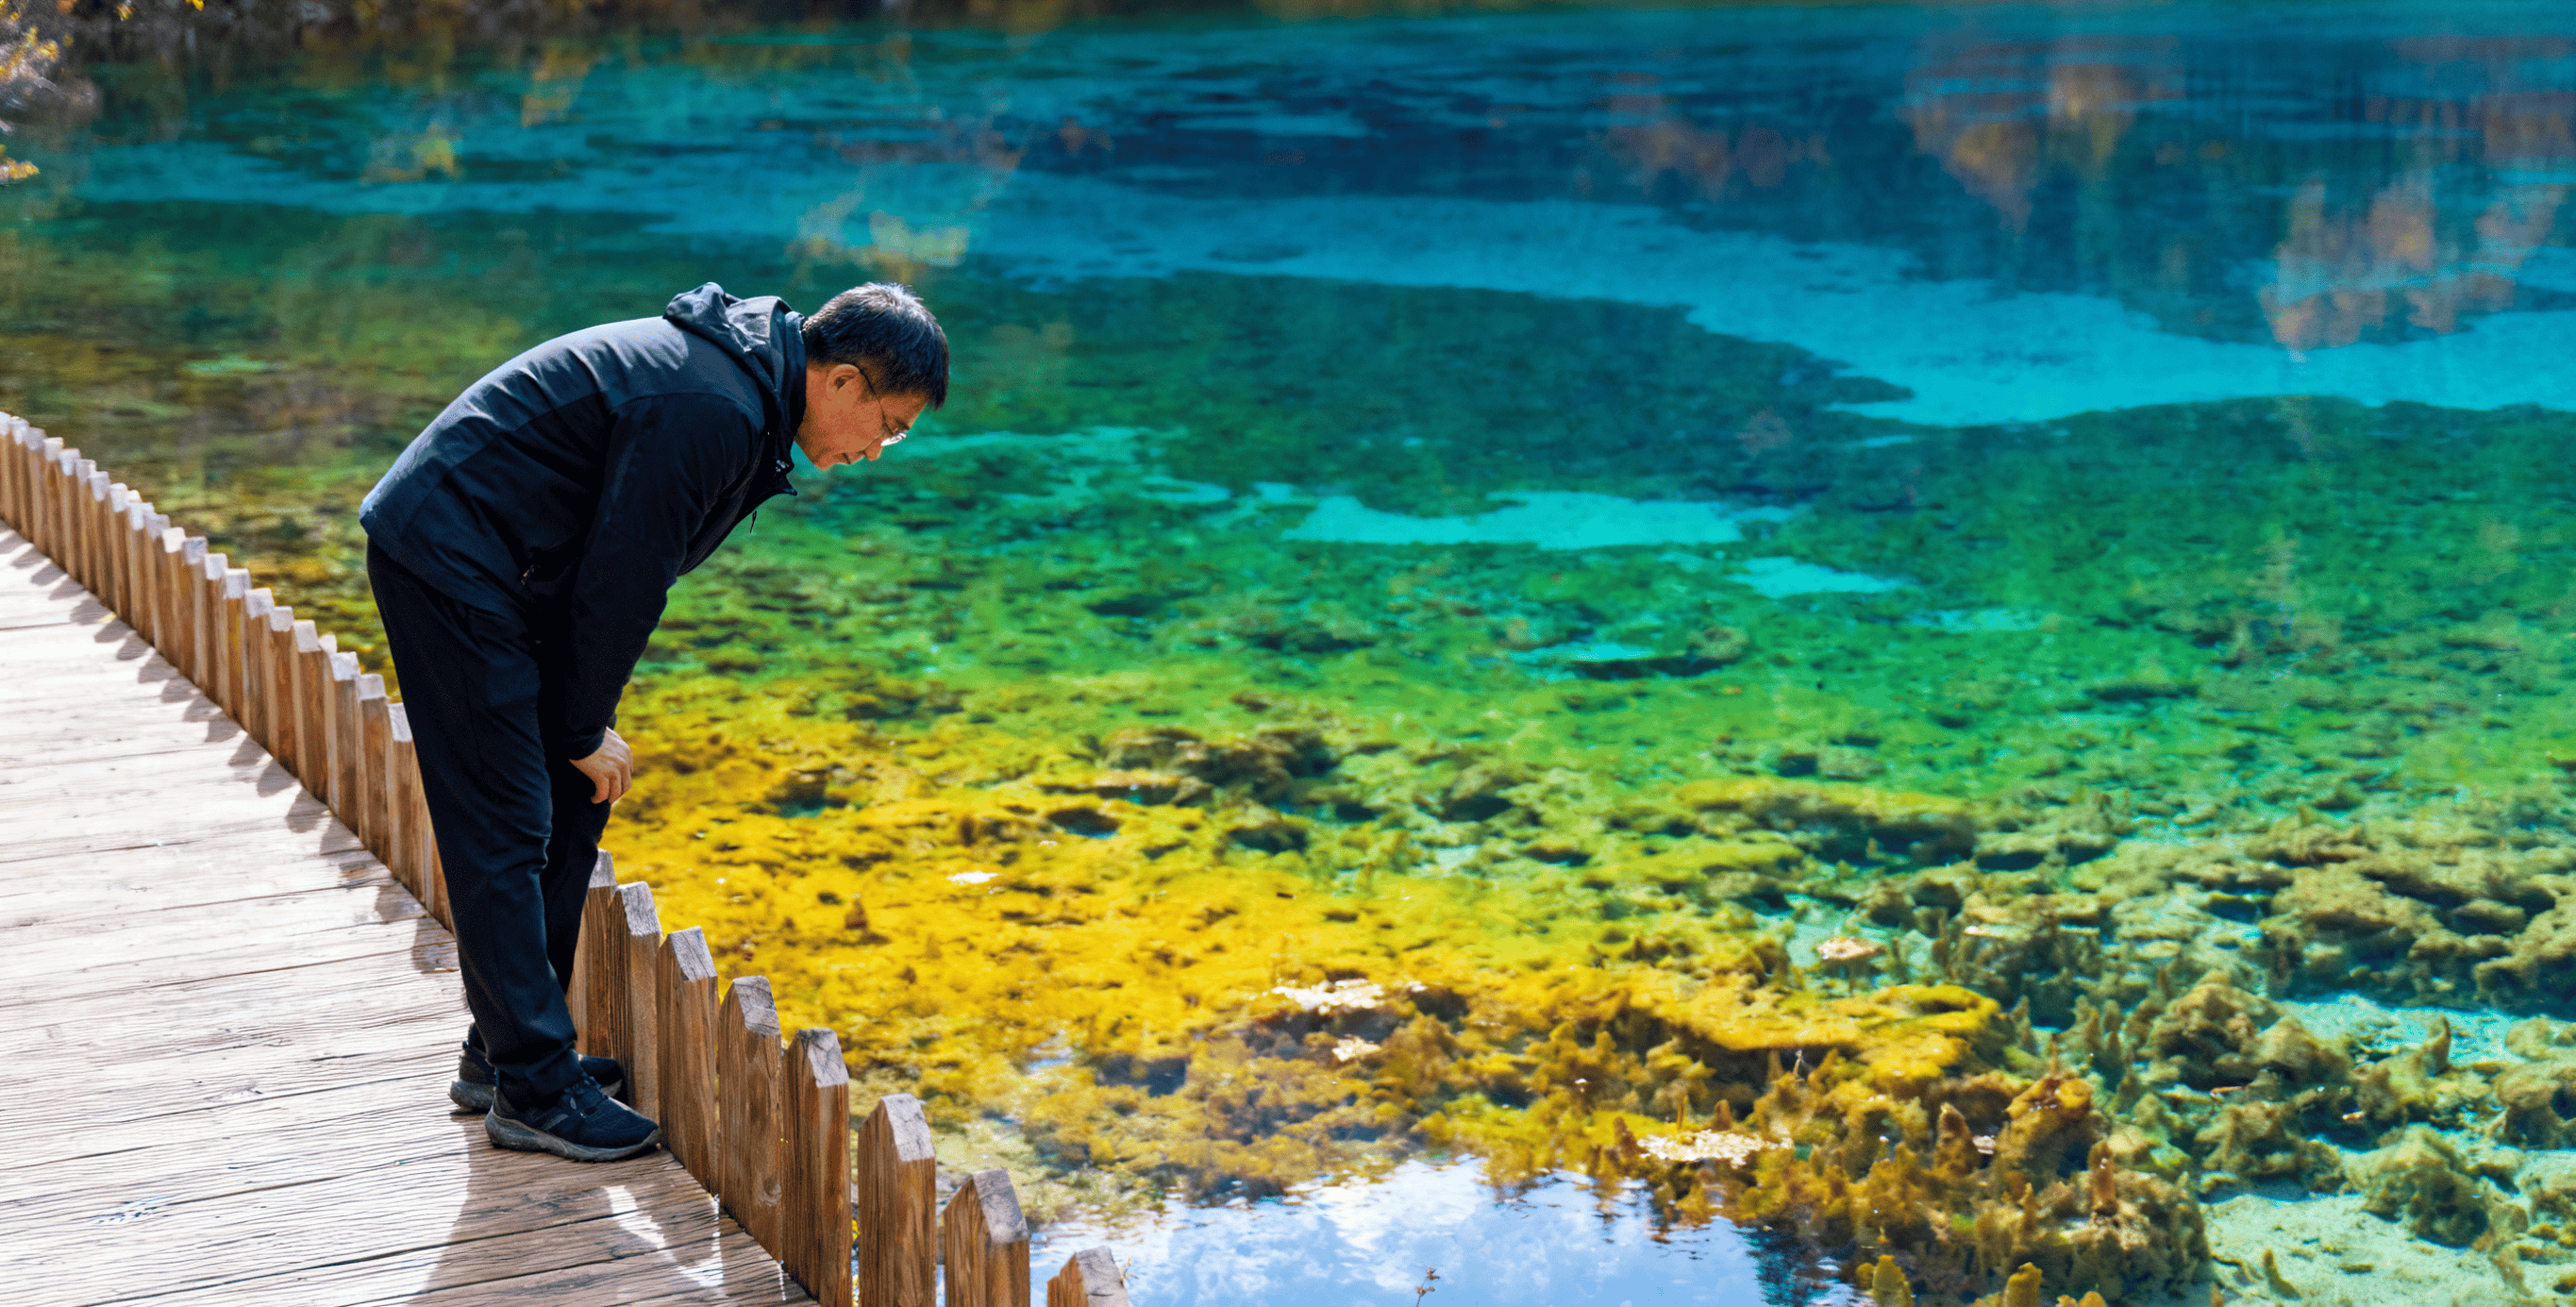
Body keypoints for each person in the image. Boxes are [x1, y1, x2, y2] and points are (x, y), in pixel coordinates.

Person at [360, 281, 947, 1162]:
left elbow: (612, 565)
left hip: (512, 568)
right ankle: (533, 1088)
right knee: (507, 821)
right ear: (845, 384)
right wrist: (581, 724)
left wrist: (578, 730)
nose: (881, 451)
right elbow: (622, 582)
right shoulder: (711, 407)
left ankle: (510, 1052)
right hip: (451, 555)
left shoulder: (744, 391)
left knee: (570, 797)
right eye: (892, 426)